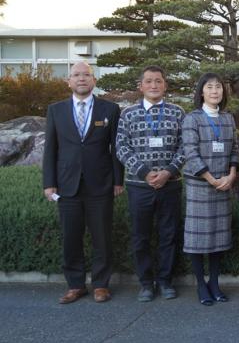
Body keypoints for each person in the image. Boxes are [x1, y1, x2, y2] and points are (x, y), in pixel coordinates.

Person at [42, 61, 124, 304]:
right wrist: (49, 183)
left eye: (86, 75)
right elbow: (50, 150)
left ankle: (101, 285)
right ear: (69, 80)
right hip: (67, 185)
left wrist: (118, 180)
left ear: (94, 80)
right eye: (76, 75)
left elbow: (115, 149)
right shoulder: (55, 110)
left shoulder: (110, 109)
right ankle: (75, 285)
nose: (81, 79)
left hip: (101, 183)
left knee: (102, 236)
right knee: (71, 237)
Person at [116, 66, 186, 302]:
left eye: (158, 81)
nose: (154, 85)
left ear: (165, 85)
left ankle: (166, 281)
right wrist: (145, 172)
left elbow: (185, 146)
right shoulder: (128, 114)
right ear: (141, 86)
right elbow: (121, 147)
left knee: (169, 235)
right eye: (149, 81)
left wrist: (168, 171)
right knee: (140, 236)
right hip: (138, 185)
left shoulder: (178, 113)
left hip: (171, 184)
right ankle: (146, 283)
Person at [181, 73, 239, 306]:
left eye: (219, 87)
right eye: (210, 87)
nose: (215, 91)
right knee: (197, 239)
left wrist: (232, 175)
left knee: (217, 237)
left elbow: (235, 149)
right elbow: (190, 153)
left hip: (224, 184)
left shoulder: (228, 119)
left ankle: (214, 283)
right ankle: (200, 285)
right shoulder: (191, 119)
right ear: (201, 92)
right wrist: (211, 179)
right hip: (200, 186)